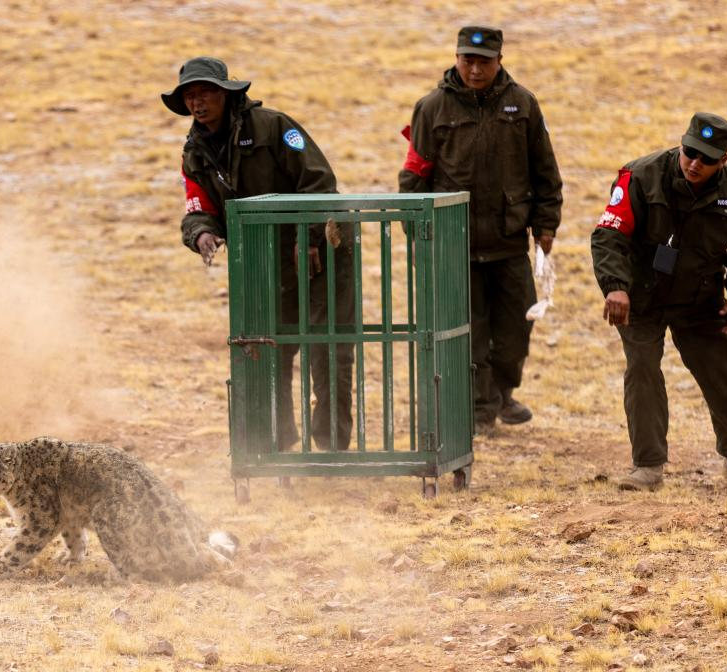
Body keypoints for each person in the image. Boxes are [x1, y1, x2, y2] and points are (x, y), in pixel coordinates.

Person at [162, 57, 354, 451]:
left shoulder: (275, 127)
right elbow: (198, 207)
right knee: (269, 350)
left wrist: (309, 237)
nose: (197, 102)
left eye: (206, 92)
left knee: (328, 349)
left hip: (322, 256)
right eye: (190, 96)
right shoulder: (194, 152)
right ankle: (277, 446)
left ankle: (332, 446)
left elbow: (319, 184)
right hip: (263, 265)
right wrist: (202, 234)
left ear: (226, 93)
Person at [591, 112, 727, 490]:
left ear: (724, 160)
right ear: (681, 144)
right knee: (643, 370)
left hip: (700, 299)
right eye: (690, 152)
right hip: (641, 296)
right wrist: (615, 286)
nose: (694, 163)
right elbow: (609, 236)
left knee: (724, 373)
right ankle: (648, 467)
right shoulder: (640, 176)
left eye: (707, 158)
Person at [399, 26, 563, 430]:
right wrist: (416, 234)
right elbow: (414, 176)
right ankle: (479, 408)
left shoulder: (523, 104)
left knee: (516, 330)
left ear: (499, 61)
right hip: (455, 243)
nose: (475, 69)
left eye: (483, 62)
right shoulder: (431, 108)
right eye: (467, 60)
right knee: (470, 332)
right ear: (456, 58)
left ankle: (503, 392)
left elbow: (545, 169)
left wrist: (545, 224)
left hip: (509, 242)